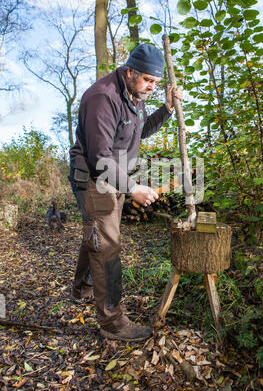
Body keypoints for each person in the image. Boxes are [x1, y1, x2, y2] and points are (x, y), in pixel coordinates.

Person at [69, 43, 182, 342]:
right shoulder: (103, 97)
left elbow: (139, 130)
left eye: (155, 83)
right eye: (147, 80)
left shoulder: (134, 96)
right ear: (129, 70)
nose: (151, 87)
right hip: (95, 178)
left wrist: (167, 109)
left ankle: (82, 288)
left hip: (115, 179)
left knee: (97, 235)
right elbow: (99, 158)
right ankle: (113, 323)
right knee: (107, 246)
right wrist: (133, 188)